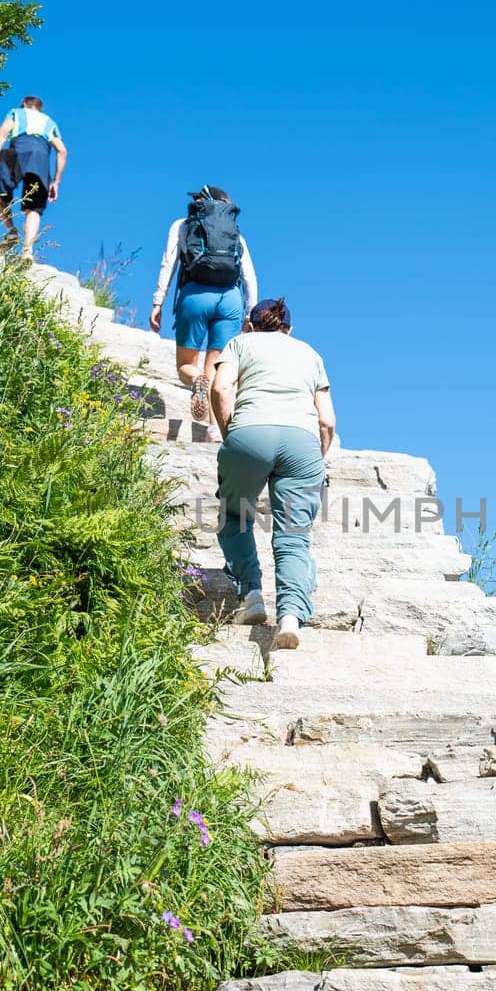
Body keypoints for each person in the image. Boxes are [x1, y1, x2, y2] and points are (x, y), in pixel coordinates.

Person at [210, 297, 335, 649]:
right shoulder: (310, 353)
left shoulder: (239, 343)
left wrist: (230, 435)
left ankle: (251, 596)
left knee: (234, 514)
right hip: (302, 442)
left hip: (250, 432)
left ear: (249, 325)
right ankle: (291, 615)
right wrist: (316, 457)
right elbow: (327, 420)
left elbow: (220, 388)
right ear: (289, 329)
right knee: (294, 534)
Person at [150, 186, 258, 425]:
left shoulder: (182, 225)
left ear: (202, 202)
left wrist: (158, 303)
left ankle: (196, 379)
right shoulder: (235, 233)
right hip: (230, 300)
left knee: (187, 365)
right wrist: (249, 315)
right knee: (217, 369)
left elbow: (168, 265)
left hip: (195, 295)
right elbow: (250, 277)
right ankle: (212, 429)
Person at [0, 96, 68, 262]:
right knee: (34, 208)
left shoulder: (16, 112)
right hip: (40, 158)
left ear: (24, 104)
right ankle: (27, 251)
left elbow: (1, 132)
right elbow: (62, 151)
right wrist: (56, 182)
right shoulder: (49, 122)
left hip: (18, 149)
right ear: (39, 108)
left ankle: (11, 231)